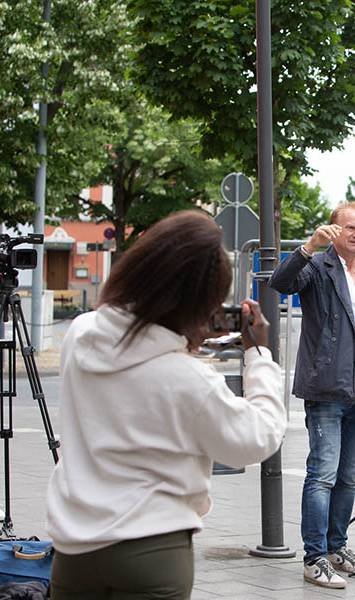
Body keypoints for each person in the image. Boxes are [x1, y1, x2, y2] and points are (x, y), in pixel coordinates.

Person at [46, 210, 286, 600]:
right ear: (195, 303)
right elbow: (255, 439)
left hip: (74, 552)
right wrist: (258, 355)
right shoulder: (188, 380)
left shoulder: (81, 334)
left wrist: (180, 332)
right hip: (153, 550)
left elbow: (138, 340)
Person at [269, 200, 355, 589]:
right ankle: (314, 557)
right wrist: (307, 247)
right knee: (322, 474)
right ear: (335, 230)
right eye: (350, 228)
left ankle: (337, 547)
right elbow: (280, 283)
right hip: (326, 389)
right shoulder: (317, 268)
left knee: (349, 477)